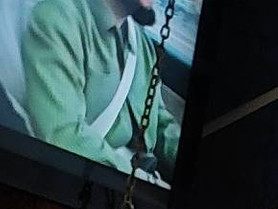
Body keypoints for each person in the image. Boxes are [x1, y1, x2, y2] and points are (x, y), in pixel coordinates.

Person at [20, 0, 178, 182]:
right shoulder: (58, 18)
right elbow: (63, 136)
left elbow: (160, 123)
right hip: (88, 185)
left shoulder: (142, 45)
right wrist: (148, 184)